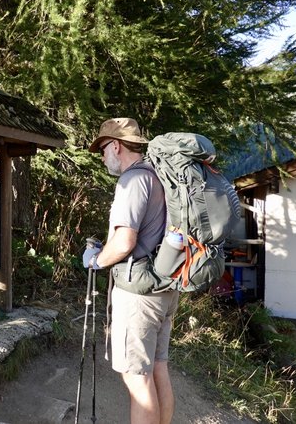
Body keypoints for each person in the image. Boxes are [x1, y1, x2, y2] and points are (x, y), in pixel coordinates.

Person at [82, 117, 179, 424]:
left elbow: (125, 241)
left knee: (137, 379)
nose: (102, 157)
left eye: (102, 149)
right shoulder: (158, 176)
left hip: (138, 295)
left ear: (116, 145)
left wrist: (97, 260)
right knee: (157, 368)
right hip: (165, 286)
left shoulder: (132, 180)